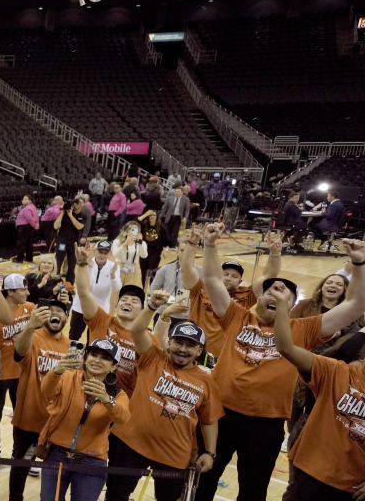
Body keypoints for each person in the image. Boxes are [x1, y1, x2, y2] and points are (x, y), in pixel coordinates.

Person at [195, 224, 365, 501]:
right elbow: (213, 281)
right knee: (202, 484)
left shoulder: (303, 328)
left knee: (253, 492)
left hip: (266, 424)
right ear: (258, 298)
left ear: (293, 302)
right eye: (271, 288)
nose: (276, 291)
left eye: (284, 291)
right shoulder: (238, 316)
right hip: (218, 415)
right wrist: (211, 245)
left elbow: (356, 305)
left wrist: (359, 263)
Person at [104, 292, 221, 501]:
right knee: (116, 495)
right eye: (178, 342)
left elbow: (209, 420)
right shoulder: (153, 358)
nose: (182, 349)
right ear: (168, 342)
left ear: (200, 350)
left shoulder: (206, 381)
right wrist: (151, 306)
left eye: (190, 345)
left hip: (173, 454)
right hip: (130, 444)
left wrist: (210, 452)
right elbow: (138, 330)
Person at [273, 288, 365, 500]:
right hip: (310, 475)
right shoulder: (337, 371)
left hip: (352, 487)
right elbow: (286, 347)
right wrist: (280, 308)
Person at [39, 339, 131, 501]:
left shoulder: (118, 394)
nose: (96, 360)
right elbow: (47, 390)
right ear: (85, 357)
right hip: (57, 454)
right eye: (93, 355)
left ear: (114, 366)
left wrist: (107, 400)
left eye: (105, 358)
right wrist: (56, 372)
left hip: (92, 461)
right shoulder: (68, 377)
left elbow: (123, 418)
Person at [179, 227, 281, 356]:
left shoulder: (247, 296)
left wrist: (275, 253)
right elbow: (186, 269)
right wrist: (192, 243)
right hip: (193, 352)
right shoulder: (200, 290)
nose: (228, 278)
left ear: (240, 282)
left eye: (234, 276)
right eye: (225, 274)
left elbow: (269, 275)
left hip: (226, 356)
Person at [8, 297, 71, 500]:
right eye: (50, 310)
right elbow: (19, 351)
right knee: (20, 466)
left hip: (55, 425)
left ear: (67, 317)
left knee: (53, 474)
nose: (55, 314)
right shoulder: (32, 336)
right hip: (28, 419)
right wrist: (30, 326)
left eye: (60, 311)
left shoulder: (72, 346)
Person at [72, 244, 144, 395]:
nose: (128, 303)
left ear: (142, 311)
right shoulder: (102, 321)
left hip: (120, 400)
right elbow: (83, 292)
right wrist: (81, 264)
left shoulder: (145, 339)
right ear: (116, 306)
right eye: (124, 300)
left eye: (135, 301)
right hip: (87, 391)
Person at [0, 274, 35, 470]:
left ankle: (22, 456)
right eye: (23, 290)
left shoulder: (30, 308)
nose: (27, 292)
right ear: (11, 292)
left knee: (25, 418)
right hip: (0, 374)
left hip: (23, 373)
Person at [69, 241, 120, 341]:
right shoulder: (86, 262)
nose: (103, 255)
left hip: (100, 310)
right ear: (95, 252)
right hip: (80, 307)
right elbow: (86, 286)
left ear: (109, 254)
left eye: (106, 253)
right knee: (73, 337)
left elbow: (117, 287)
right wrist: (88, 268)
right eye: (100, 252)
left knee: (95, 339)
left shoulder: (113, 266)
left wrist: (113, 277)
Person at [53, 197, 86, 281]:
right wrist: (62, 213)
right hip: (62, 243)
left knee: (72, 265)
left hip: (73, 244)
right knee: (58, 262)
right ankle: (55, 281)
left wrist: (71, 216)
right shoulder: (62, 214)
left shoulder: (80, 215)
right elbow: (56, 226)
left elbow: (79, 227)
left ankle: (69, 286)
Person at [111, 221, 147, 288]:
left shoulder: (141, 243)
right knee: (117, 291)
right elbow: (114, 254)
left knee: (131, 290)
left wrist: (140, 242)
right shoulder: (117, 241)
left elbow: (144, 255)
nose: (133, 232)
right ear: (126, 230)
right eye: (131, 229)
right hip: (120, 267)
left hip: (134, 269)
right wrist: (125, 244)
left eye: (136, 229)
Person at [138, 209, 163, 280]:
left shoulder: (161, 228)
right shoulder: (143, 226)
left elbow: (167, 240)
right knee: (143, 273)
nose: (152, 217)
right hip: (143, 253)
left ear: (157, 217)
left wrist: (160, 250)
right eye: (150, 215)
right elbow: (134, 223)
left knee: (151, 273)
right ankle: (144, 290)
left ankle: (151, 289)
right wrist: (145, 214)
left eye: (154, 215)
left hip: (155, 254)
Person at [14, 195, 39, 264]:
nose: (23, 200)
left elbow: (29, 218)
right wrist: (35, 225)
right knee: (29, 243)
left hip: (24, 227)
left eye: (25, 199)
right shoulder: (33, 207)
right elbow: (36, 218)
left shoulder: (27, 208)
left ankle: (19, 259)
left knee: (21, 243)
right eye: (23, 199)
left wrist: (34, 225)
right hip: (29, 227)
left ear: (30, 201)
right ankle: (29, 258)